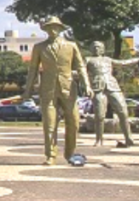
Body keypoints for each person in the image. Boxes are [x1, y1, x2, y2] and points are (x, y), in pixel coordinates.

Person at [24, 17, 92, 166]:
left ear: (61, 29)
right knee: (49, 124)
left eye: (55, 27)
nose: (52, 30)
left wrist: (87, 84)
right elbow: (33, 69)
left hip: (68, 87)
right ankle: (51, 155)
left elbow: (81, 66)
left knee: (73, 122)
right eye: (49, 27)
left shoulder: (71, 46)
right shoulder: (39, 47)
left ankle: (70, 153)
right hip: (48, 88)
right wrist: (28, 89)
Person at [86, 41, 139, 147]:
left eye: (99, 47)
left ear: (103, 49)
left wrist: (137, 59)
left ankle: (129, 138)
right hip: (98, 87)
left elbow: (122, 63)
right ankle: (99, 139)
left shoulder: (108, 59)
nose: (97, 49)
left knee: (123, 111)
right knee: (99, 115)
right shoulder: (88, 59)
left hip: (112, 86)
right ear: (91, 49)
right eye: (94, 47)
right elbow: (81, 71)